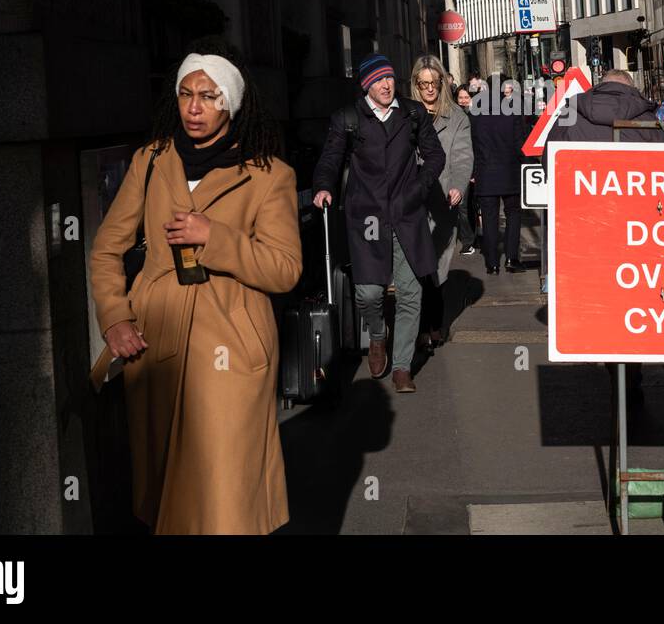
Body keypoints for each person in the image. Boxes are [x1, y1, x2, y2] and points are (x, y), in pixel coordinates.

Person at [88, 37, 303, 534]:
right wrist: (116, 316)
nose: (194, 108)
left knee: (225, 499)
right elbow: (106, 248)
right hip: (157, 342)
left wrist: (217, 238)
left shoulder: (269, 176)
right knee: (165, 497)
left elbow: (285, 268)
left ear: (230, 102)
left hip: (232, 345)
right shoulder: (151, 161)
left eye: (208, 96)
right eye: (186, 94)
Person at [311, 53, 446, 394]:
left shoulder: (412, 113)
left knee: (411, 291)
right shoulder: (348, 119)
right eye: (378, 81)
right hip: (367, 214)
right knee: (369, 292)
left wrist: (418, 188)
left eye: (389, 79)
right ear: (366, 86)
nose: (386, 85)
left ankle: (402, 366)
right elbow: (330, 158)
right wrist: (324, 187)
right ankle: (377, 335)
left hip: (406, 212)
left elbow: (436, 156)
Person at [548, 69, 664, 403]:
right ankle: (629, 372)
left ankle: (610, 360)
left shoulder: (571, 112)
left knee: (600, 295)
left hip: (587, 226)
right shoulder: (647, 118)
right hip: (636, 228)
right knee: (631, 298)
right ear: (630, 88)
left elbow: (551, 165)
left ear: (600, 84)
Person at [410, 55, 473, 352]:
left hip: (444, 198)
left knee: (439, 267)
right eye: (423, 84)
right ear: (415, 85)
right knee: (416, 266)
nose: (429, 89)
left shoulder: (457, 118)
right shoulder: (405, 114)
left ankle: (434, 323)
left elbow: (462, 157)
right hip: (411, 201)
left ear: (441, 82)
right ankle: (423, 327)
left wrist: (459, 186)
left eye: (433, 83)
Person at [472, 76, 527, 274]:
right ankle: (512, 258)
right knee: (513, 214)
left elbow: (472, 146)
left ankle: (492, 263)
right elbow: (520, 143)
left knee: (489, 219)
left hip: (485, 173)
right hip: (510, 172)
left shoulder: (476, 114)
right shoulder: (512, 112)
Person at [453, 83, 480, 254]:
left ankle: (473, 235)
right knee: (463, 205)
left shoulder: (476, 118)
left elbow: (478, 145)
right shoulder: (453, 117)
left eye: (466, 98)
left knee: (472, 203)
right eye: (460, 98)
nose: (463, 101)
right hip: (457, 166)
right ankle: (468, 240)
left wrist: (476, 170)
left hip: (473, 165)